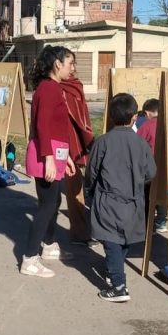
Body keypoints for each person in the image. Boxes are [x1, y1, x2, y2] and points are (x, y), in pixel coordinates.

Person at [86, 93, 157, 302]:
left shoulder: (102, 142)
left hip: (108, 199)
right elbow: (151, 172)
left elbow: (91, 171)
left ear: (110, 117)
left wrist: (89, 191)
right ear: (135, 116)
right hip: (133, 199)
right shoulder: (141, 143)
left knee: (111, 240)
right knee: (124, 239)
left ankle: (119, 286)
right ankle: (114, 270)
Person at [21, 45, 76, 278]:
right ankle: (29, 259)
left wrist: (68, 157)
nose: (72, 68)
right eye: (70, 63)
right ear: (57, 64)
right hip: (47, 154)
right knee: (46, 206)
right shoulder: (49, 88)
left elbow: (58, 127)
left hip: (56, 152)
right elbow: (42, 126)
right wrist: (50, 160)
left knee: (54, 202)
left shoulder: (54, 87)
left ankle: (49, 244)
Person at [60, 64, 95, 245]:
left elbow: (82, 116)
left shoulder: (75, 85)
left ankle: (81, 231)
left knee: (77, 190)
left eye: (74, 63)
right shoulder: (59, 89)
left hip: (78, 141)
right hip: (66, 144)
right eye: (69, 63)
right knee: (74, 191)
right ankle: (79, 234)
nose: (73, 67)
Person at [136, 98, 168, 234]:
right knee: (164, 196)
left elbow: (137, 144)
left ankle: (148, 225)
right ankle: (161, 222)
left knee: (148, 197)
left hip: (150, 167)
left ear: (147, 113)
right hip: (167, 167)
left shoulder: (146, 126)